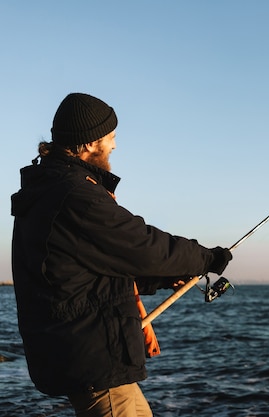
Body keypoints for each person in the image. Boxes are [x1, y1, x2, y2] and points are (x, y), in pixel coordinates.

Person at [11, 92, 233, 417]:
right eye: (111, 137)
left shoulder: (51, 189)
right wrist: (206, 258)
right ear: (89, 144)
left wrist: (163, 276)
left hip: (78, 357)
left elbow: (91, 266)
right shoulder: (75, 196)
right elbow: (141, 245)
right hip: (93, 362)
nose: (114, 145)